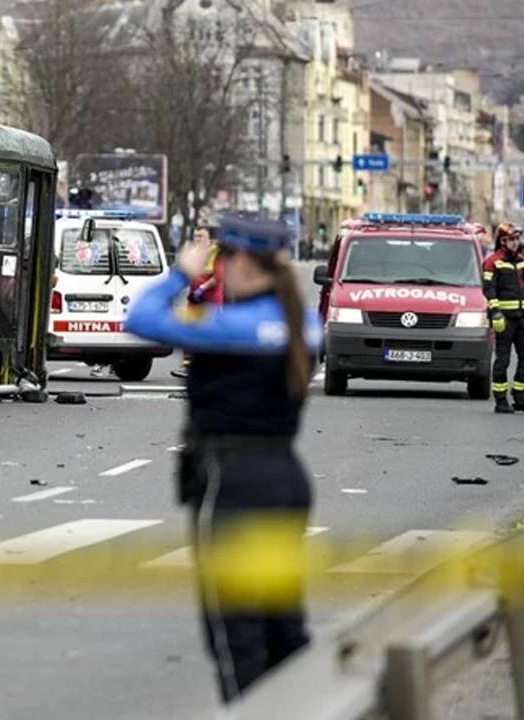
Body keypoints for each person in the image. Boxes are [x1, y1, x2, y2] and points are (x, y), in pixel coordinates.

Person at [126, 216, 320, 702]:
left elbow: (141, 319)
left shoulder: (233, 326)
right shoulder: (305, 324)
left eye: (221, 260)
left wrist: (180, 274)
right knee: (284, 627)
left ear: (238, 261)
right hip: (285, 481)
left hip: (233, 485)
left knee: (237, 637)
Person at [483, 221, 524, 414]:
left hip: (522, 318)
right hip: (504, 319)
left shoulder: (521, 261)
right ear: (502, 240)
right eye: (512, 239)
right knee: (503, 361)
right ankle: (500, 401)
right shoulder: (493, 261)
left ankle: (519, 397)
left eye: (517, 239)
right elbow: (488, 290)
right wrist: (496, 312)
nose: (515, 242)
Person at [171, 228, 224, 380]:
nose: (197, 239)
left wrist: (202, 288)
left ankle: (213, 366)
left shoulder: (215, 253)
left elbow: (218, 277)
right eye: (195, 236)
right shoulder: (194, 253)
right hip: (193, 299)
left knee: (210, 333)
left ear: (209, 239)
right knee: (188, 329)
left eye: (201, 236)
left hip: (210, 300)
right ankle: (188, 366)